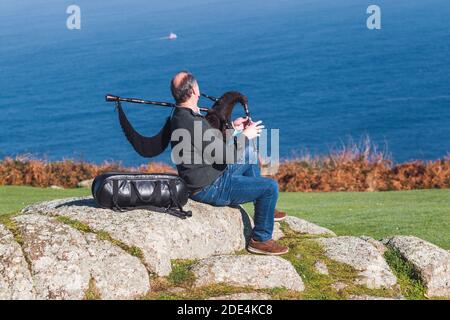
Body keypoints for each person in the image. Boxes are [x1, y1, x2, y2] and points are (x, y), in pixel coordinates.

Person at [169, 71, 288, 255]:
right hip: (210, 186)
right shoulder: (192, 122)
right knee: (270, 187)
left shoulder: (182, 115)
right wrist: (246, 136)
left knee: (249, 153)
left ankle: (264, 211)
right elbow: (226, 156)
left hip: (210, 174)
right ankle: (260, 239)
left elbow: (211, 143)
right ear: (194, 90)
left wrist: (233, 127)